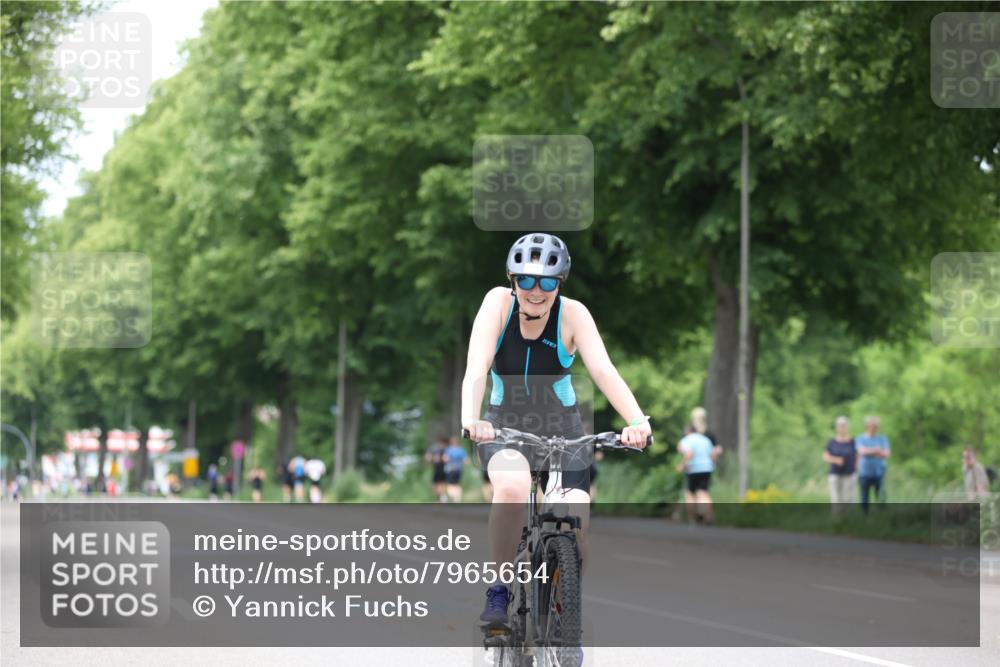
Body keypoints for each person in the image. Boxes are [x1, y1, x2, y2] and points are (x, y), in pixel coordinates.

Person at [462, 233, 652, 633]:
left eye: (547, 282)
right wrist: (471, 419)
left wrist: (638, 422)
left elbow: (603, 370)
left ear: (559, 283)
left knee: (574, 522)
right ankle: (499, 587)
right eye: (526, 281)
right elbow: (477, 367)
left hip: (563, 430)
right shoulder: (497, 304)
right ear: (512, 280)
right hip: (504, 425)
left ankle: (566, 619)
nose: (536, 291)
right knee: (512, 488)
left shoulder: (574, 314)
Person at [677, 424, 722, 524]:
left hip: (693, 469)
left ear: (687, 432)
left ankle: (693, 518)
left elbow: (689, 453)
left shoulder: (686, 439)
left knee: (690, 493)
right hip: (706, 468)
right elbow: (713, 454)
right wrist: (712, 464)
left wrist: (682, 465)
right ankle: (709, 516)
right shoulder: (706, 439)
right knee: (703, 492)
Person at [855, 415, 891, 514]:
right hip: (864, 472)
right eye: (872, 425)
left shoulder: (882, 438)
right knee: (864, 497)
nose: (874, 428)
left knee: (881, 497)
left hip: (879, 472)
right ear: (867, 426)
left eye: (876, 426)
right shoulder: (860, 438)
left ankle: (882, 516)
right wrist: (876, 450)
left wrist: (870, 451)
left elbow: (887, 453)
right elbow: (861, 451)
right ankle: (865, 517)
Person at [823, 416, 856, 513]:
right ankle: (837, 523)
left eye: (844, 425)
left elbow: (858, 456)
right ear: (836, 427)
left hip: (849, 474)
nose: (842, 428)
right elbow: (825, 457)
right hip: (835, 474)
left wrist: (856, 470)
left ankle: (847, 522)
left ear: (847, 427)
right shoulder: (832, 442)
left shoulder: (853, 441)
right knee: (836, 500)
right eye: (840, 426)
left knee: (848, 500)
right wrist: (835, 459)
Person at [443, 437, 469, 503]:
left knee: (450, 485)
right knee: (457, 485)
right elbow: (466, 461)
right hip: (459, 470)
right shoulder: (461, 450)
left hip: (450, 470)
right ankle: (457, 499)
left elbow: (445, 459)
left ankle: (453, 497)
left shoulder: (449, 450)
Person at [426, 437, 448, 502]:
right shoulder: (437, 448)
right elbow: (428, 458)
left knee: (439, 483)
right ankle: (441, 498)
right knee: (438, 484)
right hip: (438, 468)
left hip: (440, 468)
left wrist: (436, 459)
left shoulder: (441, 449)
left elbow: (428, 458)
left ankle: (442, 498)